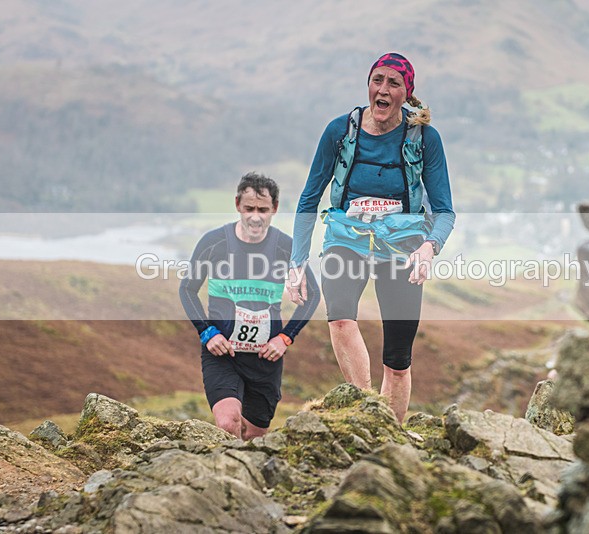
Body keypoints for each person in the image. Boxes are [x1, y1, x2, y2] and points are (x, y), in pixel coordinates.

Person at [287, 52, 455, 423]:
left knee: (397, 361)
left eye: (393, 83)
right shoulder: (340, 132)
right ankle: (367, 412)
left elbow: (444, 211)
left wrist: (429, 247)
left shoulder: (424, 138)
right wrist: (297, 262)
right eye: (377, 80)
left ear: (406, 93)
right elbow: (309, 199)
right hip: (346, 238)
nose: (383, 89)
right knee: (340, 319)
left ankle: (391, 435)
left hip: (403, 245)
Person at [179, 172, 320, 439]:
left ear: (274, 208)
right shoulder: (214, 243)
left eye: (263, 210)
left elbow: (312, 295)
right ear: (237, 205)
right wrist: (206, 332)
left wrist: (285, 338)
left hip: (265, 360)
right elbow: (187, 289)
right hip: (223, 355)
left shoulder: (286, 248)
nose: (255, 217)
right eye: (249, 209)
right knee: (228, 424)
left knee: (255, 437)